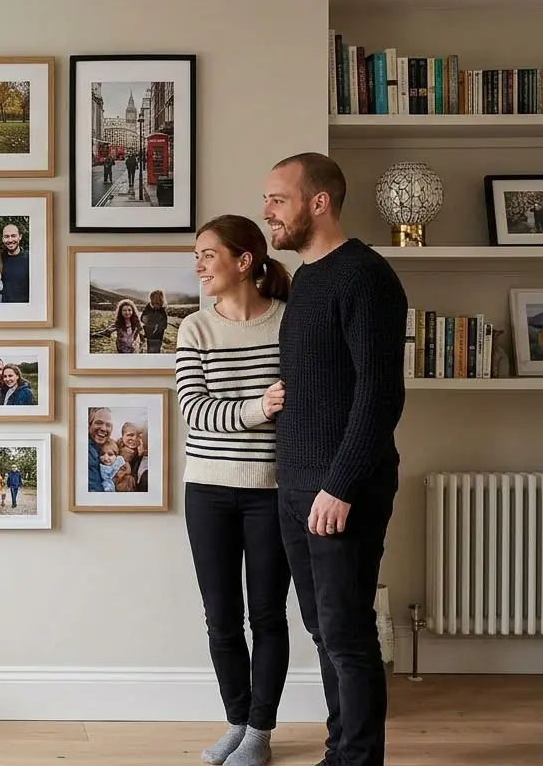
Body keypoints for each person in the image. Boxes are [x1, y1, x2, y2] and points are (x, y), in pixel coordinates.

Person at [265, 152, 407, 766]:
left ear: (317, 202)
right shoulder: (307, 281)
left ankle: (357, 759)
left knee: (347, 633)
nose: (266, 210)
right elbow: (318, 387)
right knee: (324, 631)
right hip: (297, 485)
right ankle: (339, 751)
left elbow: (380, 395)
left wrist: (339, 485)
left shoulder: (365, 276)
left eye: (277, 198)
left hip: (341, 488)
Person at [175, 214, 294, 766]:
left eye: (207, 254)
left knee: (267, 616)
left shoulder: (288, 325)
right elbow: (192, 411)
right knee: (220, 617)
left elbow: (305, 404)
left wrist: (275, 411)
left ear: (243, 261)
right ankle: (238, 722)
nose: (198, 265)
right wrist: (258, 409)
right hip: (207, 492)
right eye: (196, 256)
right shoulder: (194, 329)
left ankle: (260, 733)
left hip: (272, 492)